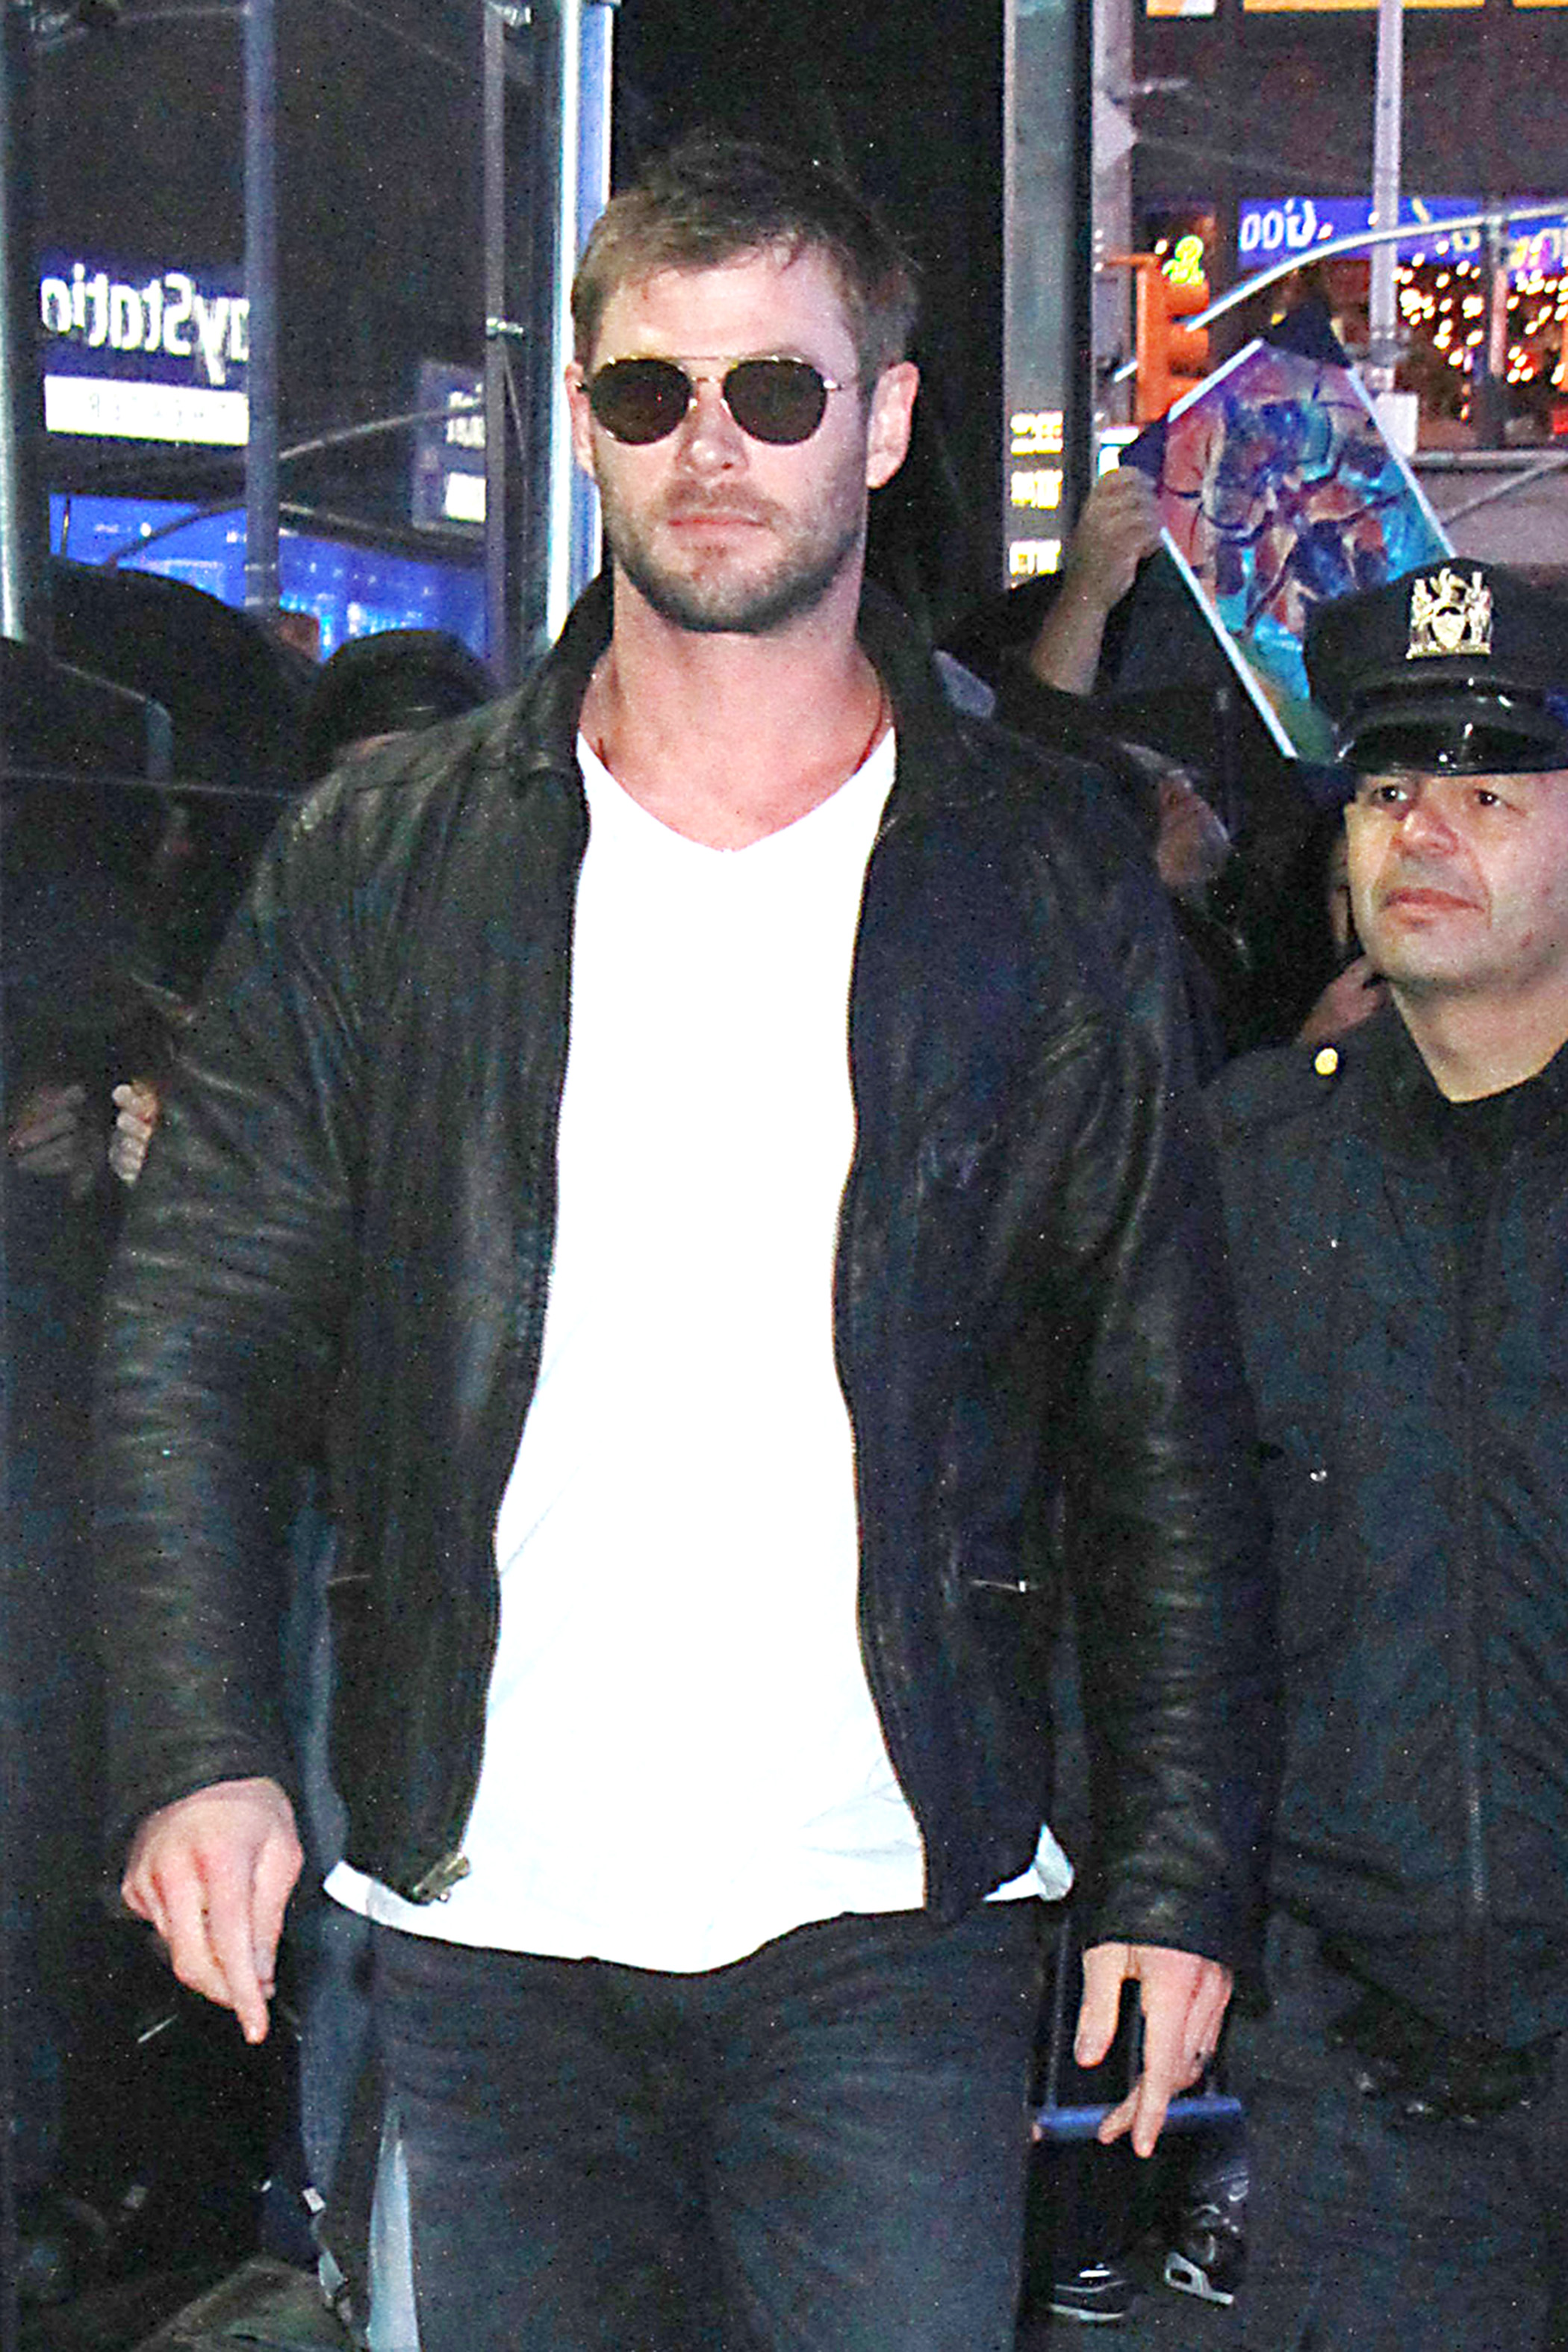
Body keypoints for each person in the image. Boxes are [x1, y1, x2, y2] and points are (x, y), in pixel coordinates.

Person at [97, 136, 1276, 2352]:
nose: (711, 447)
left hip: (890, 1906)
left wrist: (1179, 1862)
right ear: (578, 418)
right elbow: (200, 1330)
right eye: (652, 392)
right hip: (489, 1903)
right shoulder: (386, 857)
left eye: (776, 389)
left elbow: (1161, 1408)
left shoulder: (1036, 874)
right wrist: (198, 1739)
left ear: (886, 422)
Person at [1160, 559, 1568, 2350]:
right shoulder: (1252, 1170)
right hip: (1370, 2077)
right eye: (1390, 788)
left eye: (1492, 793)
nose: (1425, 833)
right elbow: (1162, 1568)